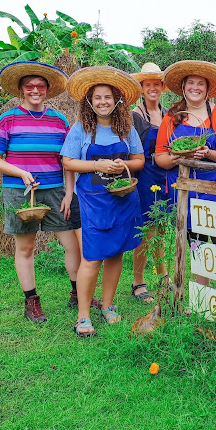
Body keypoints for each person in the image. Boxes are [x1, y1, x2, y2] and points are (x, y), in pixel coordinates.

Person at [0, 61, 89, 323]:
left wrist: (69, 192)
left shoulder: (59, 120)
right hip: (19, 191)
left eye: (40, 86)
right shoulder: (7, 119)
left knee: (71, 244)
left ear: (47, 89)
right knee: (26, 246)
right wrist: (20, 172)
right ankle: (31, 301)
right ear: (22, 89)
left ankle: (78, 293)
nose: (35, 90)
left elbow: (67, 159)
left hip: (56, 189)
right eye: (30, 86)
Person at [61, 67, 145, 337]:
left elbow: (139, 161)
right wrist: (97, 164)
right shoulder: (81, 129)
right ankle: (83, 315)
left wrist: (123, 165)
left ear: (118, 100)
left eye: (108, 97)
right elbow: (68, 162)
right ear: (89, 101)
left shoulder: (127, 128)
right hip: (93, 202)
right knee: (92, 257)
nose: (103, 102)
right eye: (97, 97)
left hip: (123, 198)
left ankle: (108, 306)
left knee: (117, 253)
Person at [155, 60, 216, 296]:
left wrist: (210, 153)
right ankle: (202, 300)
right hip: (187, 192)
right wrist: (179, 156)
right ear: (183, 87)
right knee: (196, 244)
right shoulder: (172, 117)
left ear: (207, 89)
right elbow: (160, 157)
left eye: (200, 84)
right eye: (191, 83)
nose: (195, 87)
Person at [130, 63, 169, 303]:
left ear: (163, 87)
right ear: (142, 88)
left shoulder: (169, 114)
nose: (152, 88)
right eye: (148, 85)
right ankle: (138, 281)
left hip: (165, 176)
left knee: (162, 227)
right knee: (146, 230)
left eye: (156, 84)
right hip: (145, 176)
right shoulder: (136, 115)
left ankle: (162, 275)